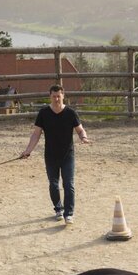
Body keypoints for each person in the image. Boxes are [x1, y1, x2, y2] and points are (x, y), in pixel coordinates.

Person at [19, 84, 91, 224]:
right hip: (50, 155)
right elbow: (36, 134)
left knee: (69, 184)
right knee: (53, 184)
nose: (56, 99)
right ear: (50, 97)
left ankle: (69, 213)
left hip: (67, 155)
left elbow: (80, 130)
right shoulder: (44, 113)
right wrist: (28, 151)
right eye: (54, 96)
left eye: (59, 96)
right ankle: (58, 209)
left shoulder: (71, 113)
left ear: (63, 96)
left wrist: (84, 137)